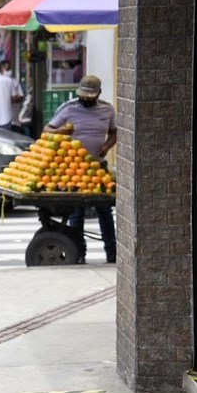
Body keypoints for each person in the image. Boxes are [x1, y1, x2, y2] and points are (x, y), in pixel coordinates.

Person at [43, 75, 117, 263]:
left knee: (104, 211)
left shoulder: (108, 109)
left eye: (89, 96)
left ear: (98, 94)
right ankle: (79, 253)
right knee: (76, 212)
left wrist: (107, 146)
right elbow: (47, 130)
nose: (85, 98)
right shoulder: (69, 108)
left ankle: (112, 253)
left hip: (98, 168)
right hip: (73, 169)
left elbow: (114, 132)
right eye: (83, 95)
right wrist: (61, 131)